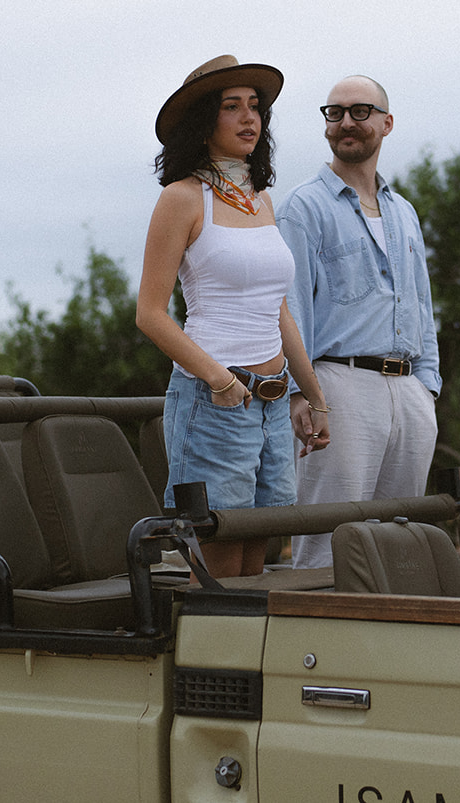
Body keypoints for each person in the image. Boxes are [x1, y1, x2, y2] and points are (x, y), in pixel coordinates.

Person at [136, 55, 331, 579]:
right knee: (222, 571)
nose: (249, 118)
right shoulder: (181, 199)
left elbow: (280, 310)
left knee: (256, 565)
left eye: (255, 106)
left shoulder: (261, 200)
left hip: (271, 402)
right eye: (231, 107)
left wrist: (312, 397)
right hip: (215, 399)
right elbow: (151, 314)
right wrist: (218, 378)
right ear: (204, 122)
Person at [276, 74, 441, 569]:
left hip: (408, 391)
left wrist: (427, 389)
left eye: (360, 112)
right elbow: (289, 308)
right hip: (338, 387)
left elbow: (422, 307)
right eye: (335, 112)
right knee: (329, 544)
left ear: (386, 124)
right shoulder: (303, 208)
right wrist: (300, 393)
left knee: (400, 545)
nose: (346, 122)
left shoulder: (404, 212)